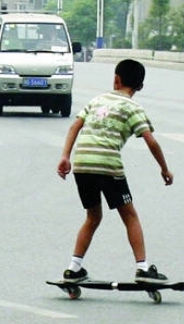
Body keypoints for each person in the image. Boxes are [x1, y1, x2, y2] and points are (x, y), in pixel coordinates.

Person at [57, 59, 173, 284]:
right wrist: (164, 169)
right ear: (140, 87)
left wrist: (65, 157)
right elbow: (150, 141)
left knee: (92, 216)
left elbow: (75, 126)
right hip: (107, 165)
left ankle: (74, 268)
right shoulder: (133, 108)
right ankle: (143, 269)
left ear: (116, 79)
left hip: (82, 163)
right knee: (130, 216)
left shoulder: (97, 100)